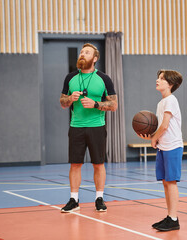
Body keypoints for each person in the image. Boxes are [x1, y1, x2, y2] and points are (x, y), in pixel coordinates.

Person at [59, 43, 118, 213]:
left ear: (95, 58)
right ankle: (74, 200)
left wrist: (96, 104)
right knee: (75, 164)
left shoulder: (104, 79)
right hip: (76, 127)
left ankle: (99, 198)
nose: (82, 54)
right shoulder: (70, 77)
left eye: (87, 52)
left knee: (98, 164)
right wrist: (70, 98)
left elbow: (114, 105)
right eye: (81, 52)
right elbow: (62, 103)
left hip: (96, 127)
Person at [138, 69, 183, 231]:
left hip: (173, 146)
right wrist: (150, 135)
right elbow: (159, 127)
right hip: (163, 147)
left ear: (170, 84)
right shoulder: (161, 102)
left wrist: (154, 138)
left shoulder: (171, 100)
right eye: (158, 77)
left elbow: (165, 125)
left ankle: (174, 218)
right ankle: (170, 216)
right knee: (165, 182)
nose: (158, 80)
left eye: (162, 78)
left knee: (171, 182)